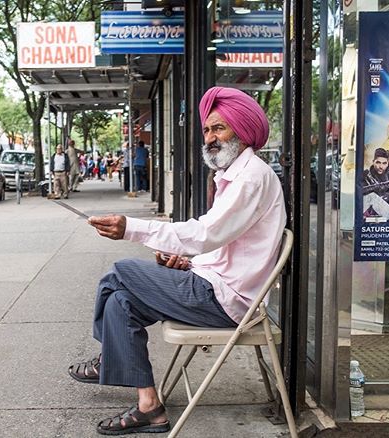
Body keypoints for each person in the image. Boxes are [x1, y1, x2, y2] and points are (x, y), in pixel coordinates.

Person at [67, 87, 285, 435]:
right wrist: (190, 264)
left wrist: (132, 228)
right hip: (214, 287)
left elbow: (205, 234)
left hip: (227, 302)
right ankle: (149, 407)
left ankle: (109, 356)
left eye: (220, 129)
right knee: (120, 302)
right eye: (208, 130)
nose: (211, 138)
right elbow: (225, 242)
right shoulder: (235, 175)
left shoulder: (251, 177)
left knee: (120, 272)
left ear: (242, 132)